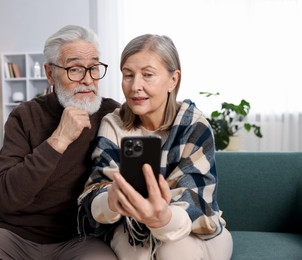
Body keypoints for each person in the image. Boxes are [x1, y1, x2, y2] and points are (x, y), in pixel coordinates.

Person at [0, 25, 120, 260]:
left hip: (80, 239)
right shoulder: (24, 116)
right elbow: (6, 197)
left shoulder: (111, 115)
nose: (88, 80)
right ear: (50, 73)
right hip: (15, 236)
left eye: (94, 68)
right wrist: (59, 139)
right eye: (75, 69)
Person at [78, 34, 233, 260]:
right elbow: (96, 189)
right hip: (131, 228)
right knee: (135, 250)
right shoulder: (114, 123)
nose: (135, 86)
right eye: (128, 75)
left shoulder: (194, 126)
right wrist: (111, 200)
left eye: (148, 75)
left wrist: (163, 218)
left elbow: (194, 203)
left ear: (173, 79)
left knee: (173, 250)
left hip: (195, 231)